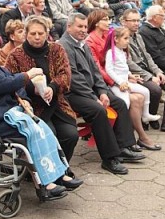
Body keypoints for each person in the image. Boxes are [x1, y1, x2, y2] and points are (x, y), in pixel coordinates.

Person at [0, 34, 79, 198]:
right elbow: (6, 83)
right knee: (33, 133)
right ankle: (45, 184)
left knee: (44, 130)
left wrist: (25, 101)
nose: (0, 54)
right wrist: (28, 75)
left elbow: (15, 84)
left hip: (8, 113)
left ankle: (60, 174)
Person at [58, 13, 143, 175]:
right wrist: (94, 97)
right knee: (98, 111)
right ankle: (109, 158)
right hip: (72, 94)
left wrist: (102, 92)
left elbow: (96, 72)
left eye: (85, 26)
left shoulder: (82, 44)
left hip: (91, 90)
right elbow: (73, 78)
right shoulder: (64, 46)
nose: (84, 30)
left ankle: (124, 145)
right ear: (69, 27)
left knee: (118, 102)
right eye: (79, 27)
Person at [5, 16, 81, 163]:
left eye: (41, 33)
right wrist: (32, 89)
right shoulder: (16, 55)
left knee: (70, 135)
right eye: (33, 34)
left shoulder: (56, 49)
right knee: (48, 134)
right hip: (31, 106)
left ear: (47, 33)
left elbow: (65, 74)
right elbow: (10, 80)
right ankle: (47, 173)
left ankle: (61, 167)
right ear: (26, 34)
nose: (37, 37)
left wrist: (53, 88)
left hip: (56, 101)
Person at [120, 9, 165, 132]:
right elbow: (129, 63)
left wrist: (158, 72)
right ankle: (149, 117)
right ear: (124, 22)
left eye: (138, 20)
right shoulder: (121, 37)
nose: (136, 23)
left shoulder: (138, 36)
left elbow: (148, 56)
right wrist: (150, 76)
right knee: (155, 89)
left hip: (147, 70)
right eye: (133, 20)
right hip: (134, 74)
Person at [104, 28, 162, 151]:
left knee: (145, 91)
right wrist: (120, 82)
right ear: (116, 39)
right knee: (125, 103)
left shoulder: (122, 52)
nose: (128, 41)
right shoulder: (111, 52)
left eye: (128, 38)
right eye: (125, 38)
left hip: (127, 81)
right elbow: (109, 70)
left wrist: (130, 75)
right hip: (118, 85)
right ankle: (122, 131)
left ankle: (145, 115)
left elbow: (125, 68)